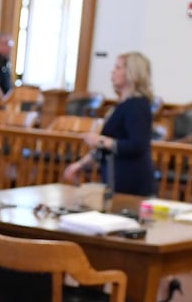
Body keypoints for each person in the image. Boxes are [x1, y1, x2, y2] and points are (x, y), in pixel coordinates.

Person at [62, 51, 157, 196]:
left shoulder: (137, 106)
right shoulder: (124, 105)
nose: (113, 71)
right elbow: (108, 144)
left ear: (132, 73)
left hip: (131, 183)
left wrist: (100, 140)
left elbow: (137, 145)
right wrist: (81, 164)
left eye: (118, 68)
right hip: (118, 178)